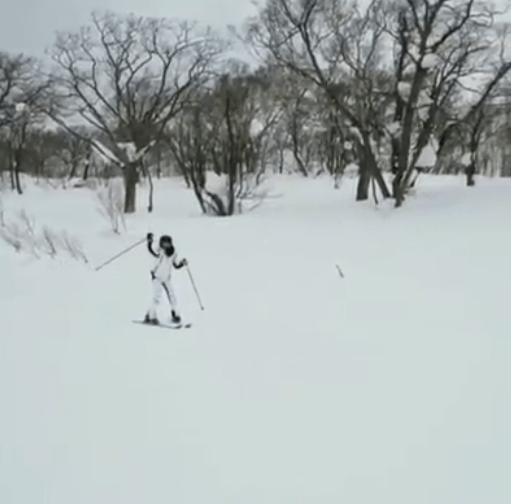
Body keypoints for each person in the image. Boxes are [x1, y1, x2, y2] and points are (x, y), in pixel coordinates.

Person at [144, 233, 187, 325]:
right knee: (156, 297)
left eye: (168, 243)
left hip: (166, 278)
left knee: (172, 297)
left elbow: (175, 265)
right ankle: (152, 316)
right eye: (164, 243)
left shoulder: (173, 253)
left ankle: (175, 314)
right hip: (157, 277)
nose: (166, 245)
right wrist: (149, 242)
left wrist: (182, 264)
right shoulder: (159, 251)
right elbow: (151, 251)